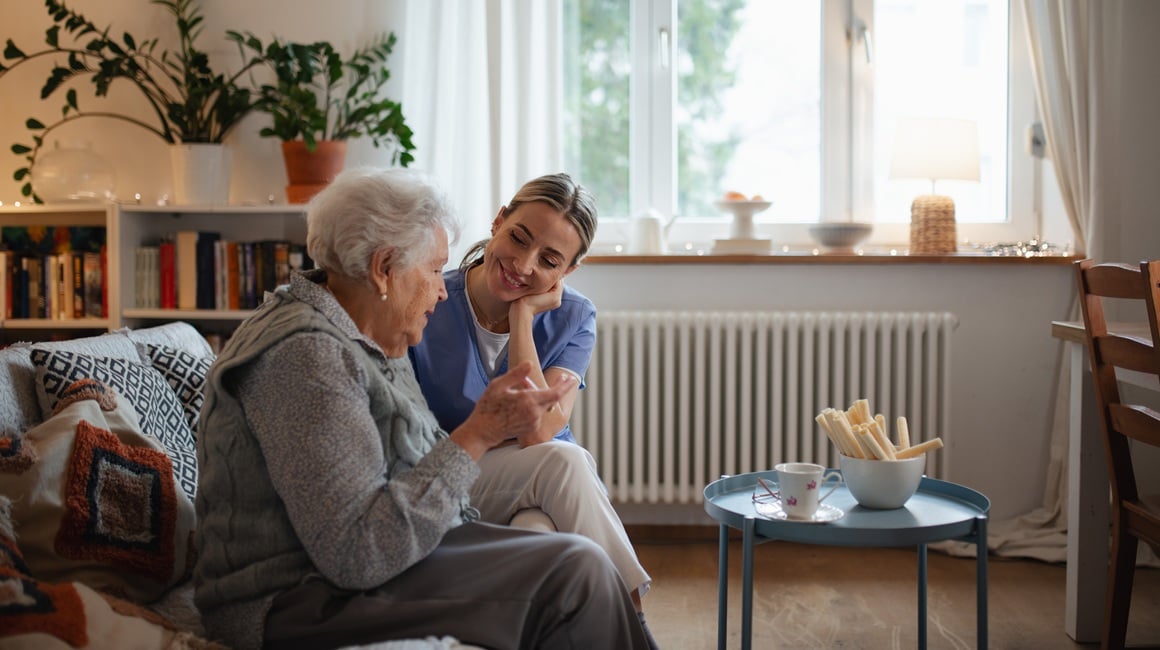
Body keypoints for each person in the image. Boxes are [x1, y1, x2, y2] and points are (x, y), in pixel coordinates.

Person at [192, 167, 650, 650]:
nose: (440, 289)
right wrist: (479, 432)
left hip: (355, 565)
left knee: (572, 557)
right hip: (293, 598)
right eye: (434, 270)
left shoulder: (362, 334)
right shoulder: (308, 357)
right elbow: (357, 554)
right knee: (574, 572)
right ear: (383, 268)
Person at [408, 173, 657, 643]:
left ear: (568, 272)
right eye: (518, 238)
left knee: (542, 538)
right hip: (457, 482)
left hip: (542, 491)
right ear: (498, 221)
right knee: (563, 459)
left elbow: (539, 429)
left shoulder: (575, 316)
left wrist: (523, 316)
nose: (522, 265)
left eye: (548, 260)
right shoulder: (431, 298)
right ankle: (637, 631)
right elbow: (541, 438)